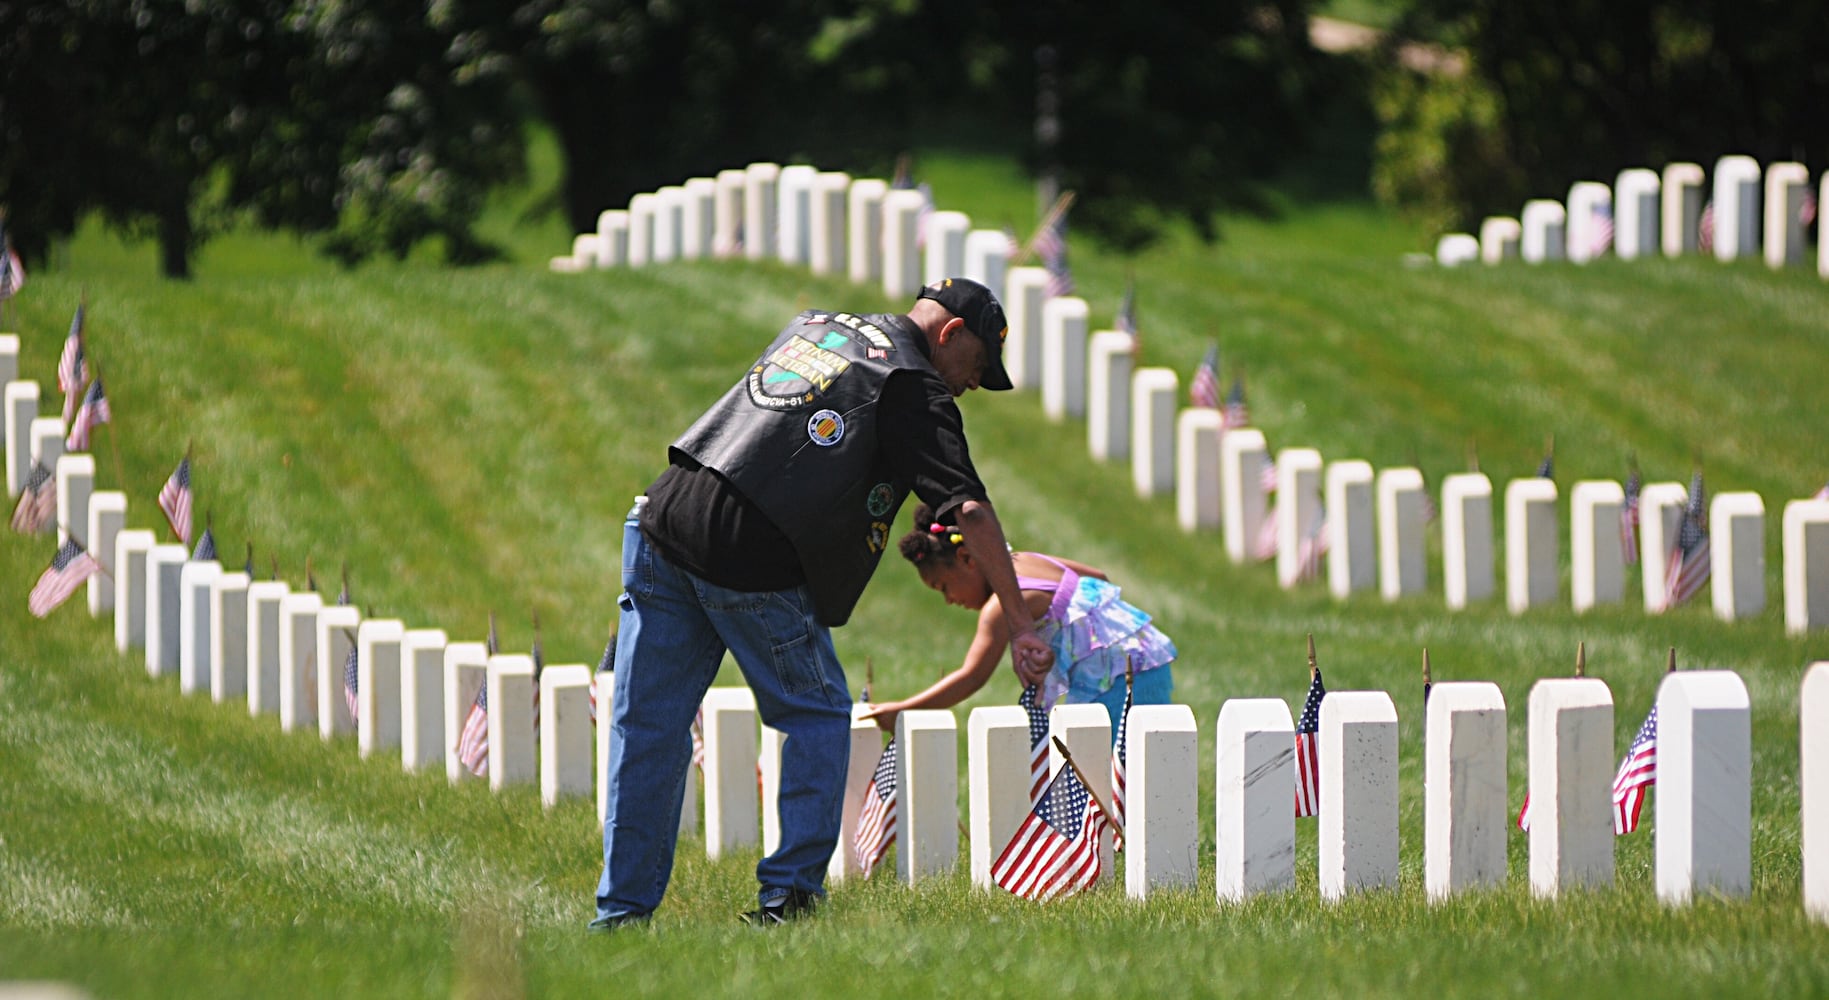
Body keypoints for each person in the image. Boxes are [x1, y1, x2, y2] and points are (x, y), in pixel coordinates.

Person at [592, 277, 1055, 931]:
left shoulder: (822, 328)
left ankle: (620, 915)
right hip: (750, 557)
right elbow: (968, 509)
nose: (971, 384)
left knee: (648, 731)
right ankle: (790, 899)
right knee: (816, 716)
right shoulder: (911, 382)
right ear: (951, 334)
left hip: (663, 523)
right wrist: (1018, 623)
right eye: (977, 366)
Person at [862, 503, 1176, 734]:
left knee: (1098, 780)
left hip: (1111, 683)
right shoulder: (1026, 560)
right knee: (1138, 772)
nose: (949, 600)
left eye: (943, 587)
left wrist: (903, 710)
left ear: (967, 559)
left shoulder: (999, 609)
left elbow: (973, 675)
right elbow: (1097, 577)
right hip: (1146, 661)